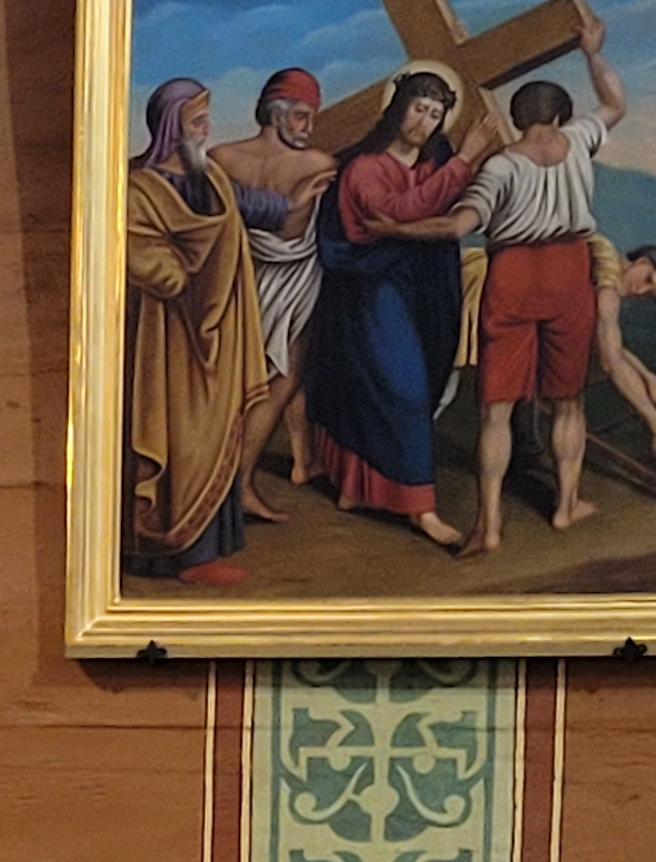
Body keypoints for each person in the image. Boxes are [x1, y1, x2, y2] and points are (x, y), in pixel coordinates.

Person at [453, 10, 629, 557]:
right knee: (567, 401)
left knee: (496, 409)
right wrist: (593, 54)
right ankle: (566, 504)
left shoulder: (502, 165)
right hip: (566, 271)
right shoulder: (578, 141)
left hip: (512, 273)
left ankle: (490, 525)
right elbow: (617, 104)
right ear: (560, 113)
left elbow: (466, 223)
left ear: (521, 115)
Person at [304, 65, 501, 550]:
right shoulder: (365, 167)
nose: (426, 121)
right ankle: (421, 509)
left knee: (386, 388)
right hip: (371, 293)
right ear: (397, 108)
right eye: (419, 108)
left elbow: (436, 208)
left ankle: (358, 488)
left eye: (436, 114)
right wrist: (468, 159)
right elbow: (402, 211)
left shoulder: (433, 163)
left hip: (420, 292)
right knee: (403, 389)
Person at [120, 79, 269, 587]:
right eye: (196, 122)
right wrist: (177, 275)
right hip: (168, 336)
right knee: (179, 436)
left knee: (215, 430)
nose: (206, 130)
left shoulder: (211, 180)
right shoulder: (142, 188)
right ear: (171, 128)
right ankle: (182, 555)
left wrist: (303, 198)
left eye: (206, 120)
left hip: (217, 335)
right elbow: (139, 250)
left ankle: (208, 548)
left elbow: (249, 208)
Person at [211, 68, 336, 510]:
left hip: (240, 275)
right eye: (301, 116)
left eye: (311, 118)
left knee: (250, 376)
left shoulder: (220, 157)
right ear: (275, 113)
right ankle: (239, 484)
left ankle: (298, 463)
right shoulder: (317, 164)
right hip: (288, 279)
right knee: (280, 378)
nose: (308, 127)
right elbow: (289, 225)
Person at [589, 239, 656, 461]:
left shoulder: (610, 270)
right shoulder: (609, 284)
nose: (639, 290)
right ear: (641, 261)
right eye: (647, 279)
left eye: (648, 294)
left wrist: (648, 377)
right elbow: (610, 360)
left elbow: (611, 345)